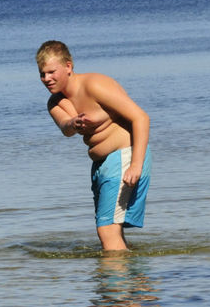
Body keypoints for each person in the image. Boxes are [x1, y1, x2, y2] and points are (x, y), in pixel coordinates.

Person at [37, 40, 151, 251]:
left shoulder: (94, 85)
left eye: (51, 72)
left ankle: (114, 282)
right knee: (111, 231)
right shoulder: (55, 102)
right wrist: (73, 122)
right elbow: (65, 127)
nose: (46, 79)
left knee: (107, 230)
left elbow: (141, 118)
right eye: (42, 74)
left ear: (68, 66)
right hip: (101, 165)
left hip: (124, 156)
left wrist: (136, 164)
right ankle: (132, 283)